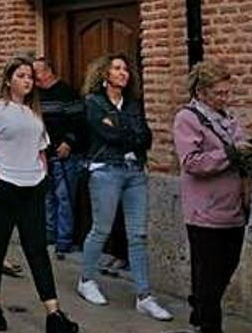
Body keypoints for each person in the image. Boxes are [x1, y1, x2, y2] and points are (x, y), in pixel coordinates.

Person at [0, 57, 78, 333]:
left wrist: (41, 171)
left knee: (37, 249)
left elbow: (41, 147)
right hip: (3, 186)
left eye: (30, 76)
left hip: (32, 187)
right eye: (21, 75)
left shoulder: (33, 113)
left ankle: (53, 313)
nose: (27, 80)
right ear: (9, 80)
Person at [76, 54, 173, 321]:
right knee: (101, 228)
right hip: (106, 170)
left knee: (138, 234)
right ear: (104, 74)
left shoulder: (133, 104)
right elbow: (110, 134)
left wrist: (126, 131)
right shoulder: (94, 103)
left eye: (126, 69)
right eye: (117, 68)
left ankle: (144, 295)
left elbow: (146, 137)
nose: (123, 73)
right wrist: (129, 133)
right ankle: (86, 279)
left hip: (134, 172)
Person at [173, 60, 252, 333]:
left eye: (227, 92)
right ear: (201, 91)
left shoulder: (227, 118)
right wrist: (230, 154)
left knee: (226, 268)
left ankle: (199, 313)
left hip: (233, 208)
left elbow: (240, 145)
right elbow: (192, 162)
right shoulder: (187, 118)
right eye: (219, 93)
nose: (224, 97)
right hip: (204, 212)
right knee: (208, 276)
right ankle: (208, 325)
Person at [33, 56, 87, 259]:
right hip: (43, 154)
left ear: (47, 72)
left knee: (64, 197)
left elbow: (79, 122)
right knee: (46, 196)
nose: (32, 77)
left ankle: (64, 240)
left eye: (36, 72)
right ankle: (49, 234)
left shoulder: (66, 93)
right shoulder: (36, 96)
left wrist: (68, 142)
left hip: (65, 155)